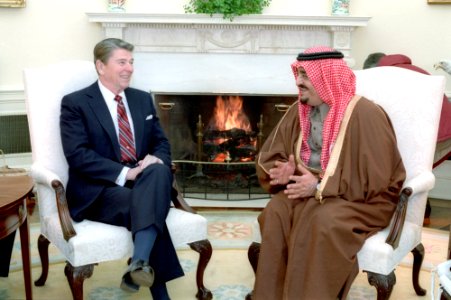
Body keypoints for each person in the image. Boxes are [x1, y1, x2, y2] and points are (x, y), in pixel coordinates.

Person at [252, 46, 406, 299]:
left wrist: (321, 186)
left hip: (360, 199)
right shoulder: (298, 111)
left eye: (305, 75)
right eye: (298, 74)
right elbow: (274, 153)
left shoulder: (365, 114)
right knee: (276, 211)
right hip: (311, 192)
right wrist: (283, 172)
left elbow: (378, 178)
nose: (298, 82)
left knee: (321, 221)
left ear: (326, 77)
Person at [59, 38, 183, 299]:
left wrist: (154, 159)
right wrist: (127, 173)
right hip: (100, 189)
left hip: (144, 180)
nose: (129, 68)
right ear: (101, 66)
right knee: (148, 206)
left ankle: (138, 263)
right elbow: (77, 155)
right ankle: (158, 291)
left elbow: (161, 142)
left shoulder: (141, 100)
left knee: (159, 170)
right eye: (122, 62)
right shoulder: (76, 103)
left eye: (131, 62)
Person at [363, 53, 451, 224]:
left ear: (374, 70)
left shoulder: (389, 76)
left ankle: (412, 219)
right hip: (443, 132)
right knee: (414, 174)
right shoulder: (411, 70)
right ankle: (418, 217)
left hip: (433, 133)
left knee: (404, 174)